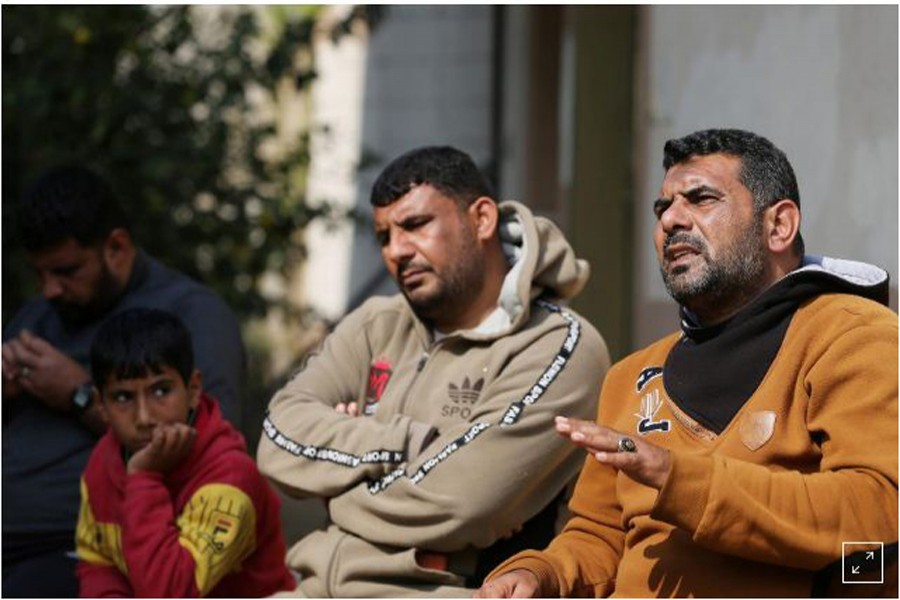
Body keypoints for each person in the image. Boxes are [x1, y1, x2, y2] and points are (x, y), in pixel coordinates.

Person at [476, 128, 898, 598]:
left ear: (779, 225)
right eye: (662, 208)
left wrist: (679, 480)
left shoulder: (853, 334)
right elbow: (598, 536)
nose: (672, 219)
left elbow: (879, 509)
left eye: (700, 198)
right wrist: (542, 573)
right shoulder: (630, 377)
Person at [256, 146, 611, 597]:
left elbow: (465, 502)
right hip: (312, 587)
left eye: (416, 225)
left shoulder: (559, 345)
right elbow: (278, 438)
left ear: (481, 219)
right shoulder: (375, 324)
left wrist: (336, 483)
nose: (397, 251)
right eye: (384, 236)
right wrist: (404, 443)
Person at [2, 165, 246, 597]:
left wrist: (77, 394)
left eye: (67, 271)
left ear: (117, 247)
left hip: (76, 543)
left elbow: (205, 445)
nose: (50, 290)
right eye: (40, 275)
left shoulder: (192, 314)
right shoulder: (41, 315)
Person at [74, 307, 294, 597]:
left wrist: (144, 477)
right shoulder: (105, 458)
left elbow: (170, 592)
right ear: (101, 405)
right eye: (123, 397)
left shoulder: (229, 479)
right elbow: (97, 559)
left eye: (161, 391)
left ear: (192, 390)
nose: (144, 418)